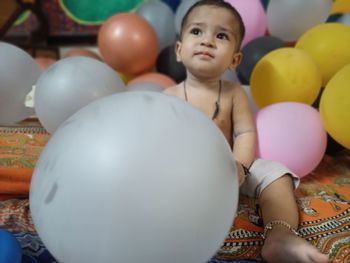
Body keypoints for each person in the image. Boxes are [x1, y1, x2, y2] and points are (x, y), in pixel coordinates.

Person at [164, 1, 330, 262]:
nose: (207, 41)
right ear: (178, 49)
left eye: (221, 36)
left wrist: (239, 164)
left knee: (276, 173)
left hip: (231, 168)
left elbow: (244, 133)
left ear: (234, 59)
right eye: (197, 32)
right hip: (185, 172)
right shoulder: (168, 97)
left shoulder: (232, 93)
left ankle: (280, 235)